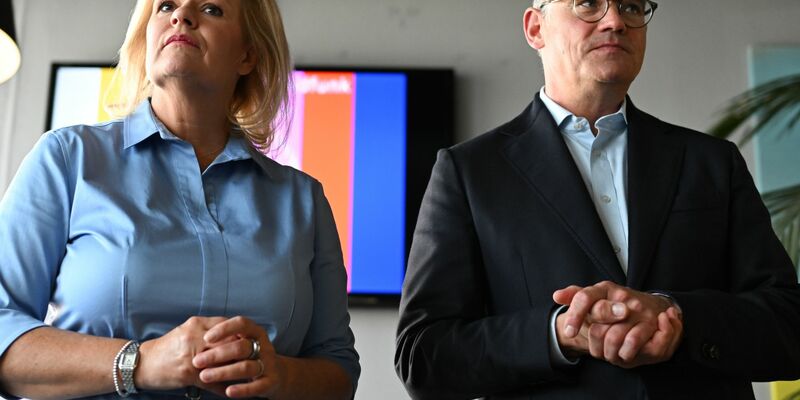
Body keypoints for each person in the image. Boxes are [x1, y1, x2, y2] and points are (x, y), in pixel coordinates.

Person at [395, 0, 800, 399]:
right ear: (536, 28)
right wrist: (560, 334)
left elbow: (789, 324)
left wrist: (677, 318)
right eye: (588, 4)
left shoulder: (712, 162)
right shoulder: (468, 172)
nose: (615, 21)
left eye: (631, 6)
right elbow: (423, 356)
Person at [0, 1, 359, 399]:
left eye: (211, 9)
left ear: (248, 55)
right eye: (166, 5)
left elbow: (338, 370)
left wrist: (281, 376)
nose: (181, 15)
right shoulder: (67, 158)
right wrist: (140, 362)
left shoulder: (303, 199)